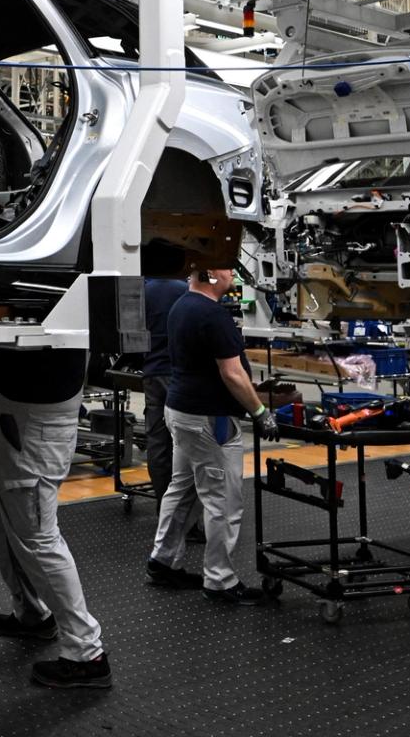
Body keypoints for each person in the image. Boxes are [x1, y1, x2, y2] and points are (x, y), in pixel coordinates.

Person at [0, 339, 110, 690]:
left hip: (30, 421)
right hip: (17, 412)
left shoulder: (58, 287)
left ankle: (87, 653)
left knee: (38, 536)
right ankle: (32, 614)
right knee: (0, 517)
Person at [146, 266, 276, 603]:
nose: (232, 273)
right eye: (226, 268)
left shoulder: (182, 304)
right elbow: (231, 374)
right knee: (223, 501)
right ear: (210, 274)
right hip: (209, 420)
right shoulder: (212, 314)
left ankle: (163, 562)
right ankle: (220, 581)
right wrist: (260, 412)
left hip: (181, 412)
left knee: (183, 490)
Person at [140, 238, 189, 500]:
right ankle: (187, 512)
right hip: (183, 376)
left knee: (158, 442)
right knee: (187, 443)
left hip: (153, 373)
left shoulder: (141, 291)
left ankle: (164, 502)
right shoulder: (186, 290)